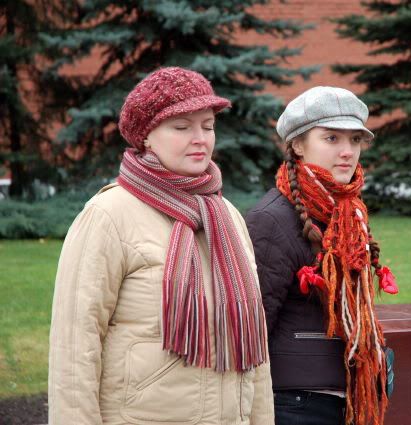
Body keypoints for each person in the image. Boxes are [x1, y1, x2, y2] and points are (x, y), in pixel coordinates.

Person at [48, 67, 274, 425]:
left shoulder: (226, 216)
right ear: (147, 138)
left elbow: (252, 343)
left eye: (208, 126)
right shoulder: (108, 215)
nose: (200, 138)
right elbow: (74, 346)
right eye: (182, 127)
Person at [245, 87, 399, 425]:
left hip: (342, 397)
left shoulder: (348, 212)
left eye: (355, 140)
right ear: (298, 145)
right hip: (293, 404)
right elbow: (252, 329)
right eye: (331, 138)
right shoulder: (270, 220)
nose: (347, 152)